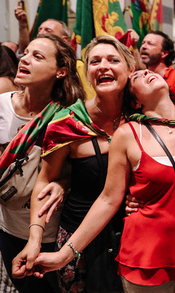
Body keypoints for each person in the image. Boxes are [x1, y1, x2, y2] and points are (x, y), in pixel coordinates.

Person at [29, 67, 175, 293]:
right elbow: (108, 200)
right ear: (135, 101)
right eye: (137, 76)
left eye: (147, 71)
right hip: (147, 257)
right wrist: (63, 255)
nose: (146, 73)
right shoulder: (128, 134)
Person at [13, 36, 135, 292]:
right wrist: (34, 239)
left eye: (113, 60)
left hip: (134, 235)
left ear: (130, 69)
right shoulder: (67, 121)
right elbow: (45, 181)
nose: (103, 65)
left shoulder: (143, 115)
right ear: (88, 73)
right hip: (78, 241)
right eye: (95, 61)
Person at [0, 34, 84, 293]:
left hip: (51, 235)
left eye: (38, 57)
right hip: (7, 226)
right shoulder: (2, 105)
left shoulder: (68, 117)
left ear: (61, 71)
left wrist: (63, 182)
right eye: (25, 53)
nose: (24, 60)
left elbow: (86, 174)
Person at [140, 31, 175, 104]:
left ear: (164, 53)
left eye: (150, 44)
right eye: (143, 43)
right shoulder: (141, 77)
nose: (143, 47)